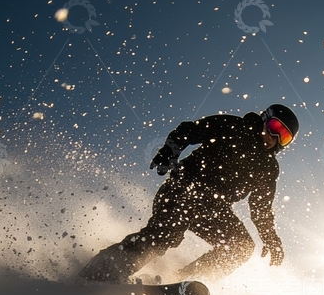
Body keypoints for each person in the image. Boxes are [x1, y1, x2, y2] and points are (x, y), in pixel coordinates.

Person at [79, 103, 300, 284]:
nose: (273, 137)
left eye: (283, 136)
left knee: (240, 246)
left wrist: (271, 239)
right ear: (264, 118)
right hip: (184, 188)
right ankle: (103, 270)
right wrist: (170, 151)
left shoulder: (268, 168)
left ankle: (184, 281)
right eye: (274, 127)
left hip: (212, 207)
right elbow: (189, 130)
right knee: (164, 235)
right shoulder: (235, 127)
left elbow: (260, 208)